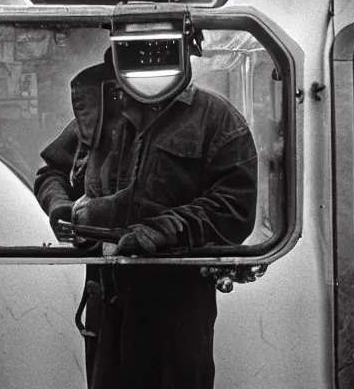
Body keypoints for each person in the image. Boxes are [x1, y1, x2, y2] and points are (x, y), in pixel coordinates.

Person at [33, 22, 257, 389]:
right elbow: (52, 172)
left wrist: (163, 230)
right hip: (105, 293)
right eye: (135, 51)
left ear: (185, 52)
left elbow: (235, 209)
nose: (148, 63)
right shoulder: (102, 116)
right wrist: (59, 208)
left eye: (159, 50)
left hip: (178, 302)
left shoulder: (216, 119)